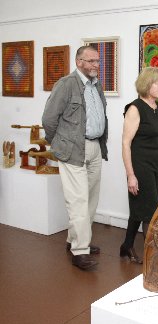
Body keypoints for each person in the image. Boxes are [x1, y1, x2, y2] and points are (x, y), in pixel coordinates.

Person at [42, 46, 108, 270]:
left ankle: (76, 239)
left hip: (95, 147)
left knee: (90, 198)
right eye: (91, 61)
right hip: (73, 150)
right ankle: (80, 250)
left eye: (97, 61)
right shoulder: (66, 84)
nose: (95, 66)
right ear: (79, 62)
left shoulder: (96, 85)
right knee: (78, 201)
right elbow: (49, 119)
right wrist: (60, 143)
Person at [120, 67, 158, 264]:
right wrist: (131, 175)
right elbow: (125, 143)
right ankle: (152, 254)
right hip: (139, 165)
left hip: (154, 164)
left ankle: (126, 245)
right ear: (147, 84)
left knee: (140, 208)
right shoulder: (135, 108)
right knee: (149, 210)